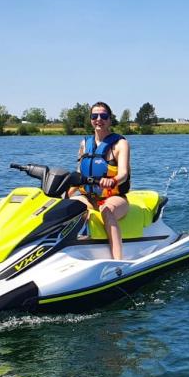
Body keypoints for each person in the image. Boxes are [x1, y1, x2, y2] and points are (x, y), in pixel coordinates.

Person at [70, 102, 131, 259]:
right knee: (67, 208)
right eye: (94, 116)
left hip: (114, 197)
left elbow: (123, 173)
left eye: (103, 116)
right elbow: (79, 173)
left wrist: (112, 180)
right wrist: (65, 194)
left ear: (110, 120)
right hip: (90, 197)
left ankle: (119, 261)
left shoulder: (120, 144)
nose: (99, 119)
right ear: (90, 119)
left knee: (106, 211)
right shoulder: (84, 144)